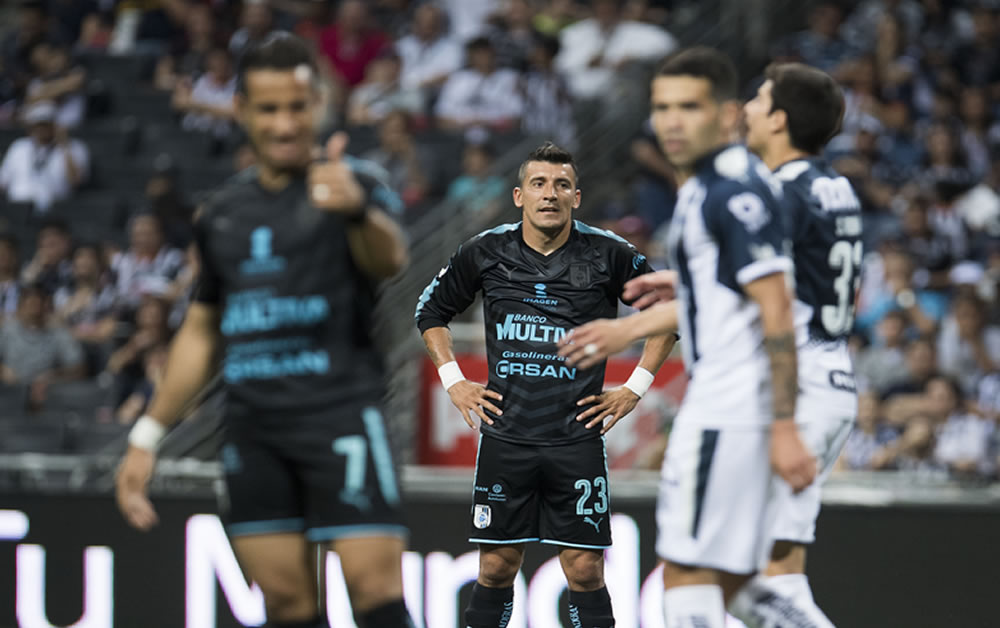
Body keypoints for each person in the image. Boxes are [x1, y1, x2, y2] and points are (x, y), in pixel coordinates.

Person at [114, 33, 415, 628]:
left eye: (297, 107)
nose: (284, 123)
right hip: (253, 430)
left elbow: (391, 259)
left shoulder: (354, 184)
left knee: (375, 592)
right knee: (286, 605)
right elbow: (202, 330)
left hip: (341, 417)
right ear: (241, 111)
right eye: (269, 109)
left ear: (319, 106)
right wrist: (148, 435)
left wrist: (355, 208)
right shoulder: (222, 214)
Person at [558, 48, 817, 628]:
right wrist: (626, 328)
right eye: (662, 107)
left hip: (732, 407)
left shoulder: (731, 192)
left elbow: (778, 310)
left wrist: (784, 426)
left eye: (689, 107)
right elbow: (723, 299)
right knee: (735, 583)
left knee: (686, 578)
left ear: (727, 115)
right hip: (729, 405)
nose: (671, 122)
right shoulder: (705, 187)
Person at [415, 142, 676, 628]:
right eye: (538, 184)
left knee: (585, 567)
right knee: (495, 567)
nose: (549, 194)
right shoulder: (485, 250)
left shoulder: (610, 254)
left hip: (575, 438)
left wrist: (634, 386)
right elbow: (430, 313)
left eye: (561, 185)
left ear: (577, 196)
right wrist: (454, 380)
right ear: (519, 195)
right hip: (506, 436)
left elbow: (667, 314)